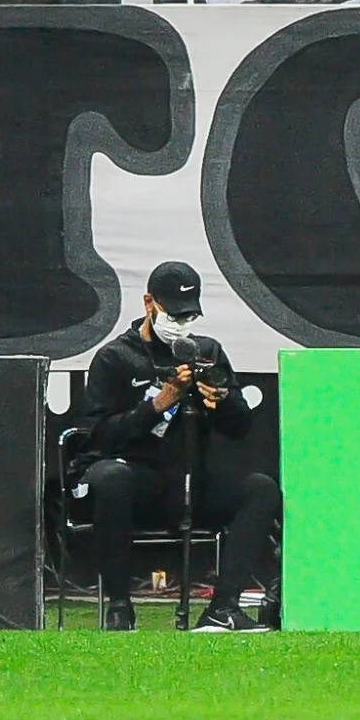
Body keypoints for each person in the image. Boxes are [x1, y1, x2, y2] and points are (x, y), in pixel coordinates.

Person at [73, 261, 279, 633]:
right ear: (150, 303)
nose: (181, 325)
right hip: (137, 479)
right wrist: (157, 405)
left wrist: (222, 400)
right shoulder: (115, 358)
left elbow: (241, 428)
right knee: (110, 477)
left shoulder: (208, 352)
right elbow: (99, 436)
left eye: (189, 316)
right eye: (174, 314)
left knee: (261, 489)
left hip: (191, 478)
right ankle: (119, 606)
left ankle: (223, 607)